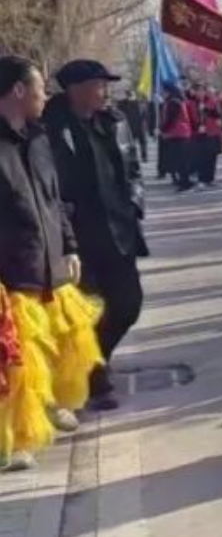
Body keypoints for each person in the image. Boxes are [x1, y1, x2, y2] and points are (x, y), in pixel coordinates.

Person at [0, 56, 103, 465]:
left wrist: (70, 246)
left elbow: (55, 200)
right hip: (13, 272)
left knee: (67, 341)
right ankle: (18, 439)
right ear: (18, 91)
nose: (45, 96)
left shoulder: (41, 139)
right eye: (39, 88)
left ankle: (57, 402)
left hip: (52, 265)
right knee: (21, 360)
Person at [43, 61, 147, 411]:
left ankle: (95, 359)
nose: (105, 92)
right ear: (75, 89)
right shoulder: (49, 127)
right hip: (77, 236)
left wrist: (135, 204)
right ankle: (95, 379)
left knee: (128, 304)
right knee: (85, 311)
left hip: (118, 230)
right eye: (98, 85)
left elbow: (132, 168)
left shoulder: (115, 122)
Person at [158, 82, 195, 191]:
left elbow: (171, 119)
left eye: (163, 90)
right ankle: (184, 181)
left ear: (168, 91)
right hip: (177, 134)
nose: (161, 92)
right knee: (179, 160)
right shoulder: (172, 101)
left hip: (178, 134)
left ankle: (185, 183)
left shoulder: (174, 102)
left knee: (180, 160)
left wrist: (162, 129)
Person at [194, 86, 222, 188]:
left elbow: (218, 114)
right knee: (202, 157)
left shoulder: (212, 101)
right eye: (198, 91)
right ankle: (201, 179)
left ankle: (210, 178)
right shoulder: (194, 102)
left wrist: (206, 109)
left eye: (202, 91)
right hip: (201, 133)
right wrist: (198, 126)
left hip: (213, 132)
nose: (200, 93)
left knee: (212, 157)